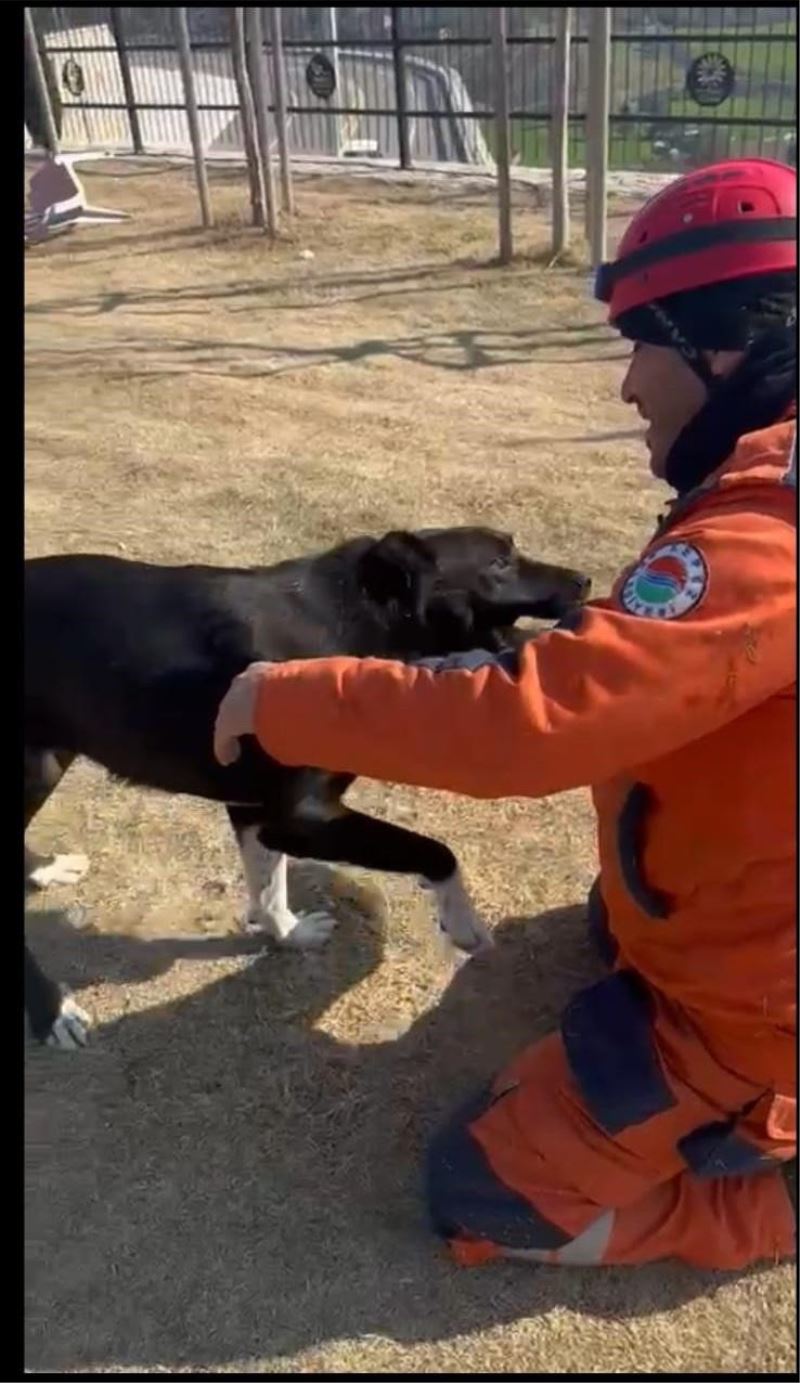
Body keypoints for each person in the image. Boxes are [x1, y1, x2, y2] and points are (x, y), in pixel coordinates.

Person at [214, 159, 797, 1271]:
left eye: (642, 344)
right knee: (605, 926)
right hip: (743, 904)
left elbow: (530, 725)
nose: (628, 386)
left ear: (728, 349)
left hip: (757, 1007)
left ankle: (766, 1198)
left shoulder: (769, 528)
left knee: (484, 1196)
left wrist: (285, 696)